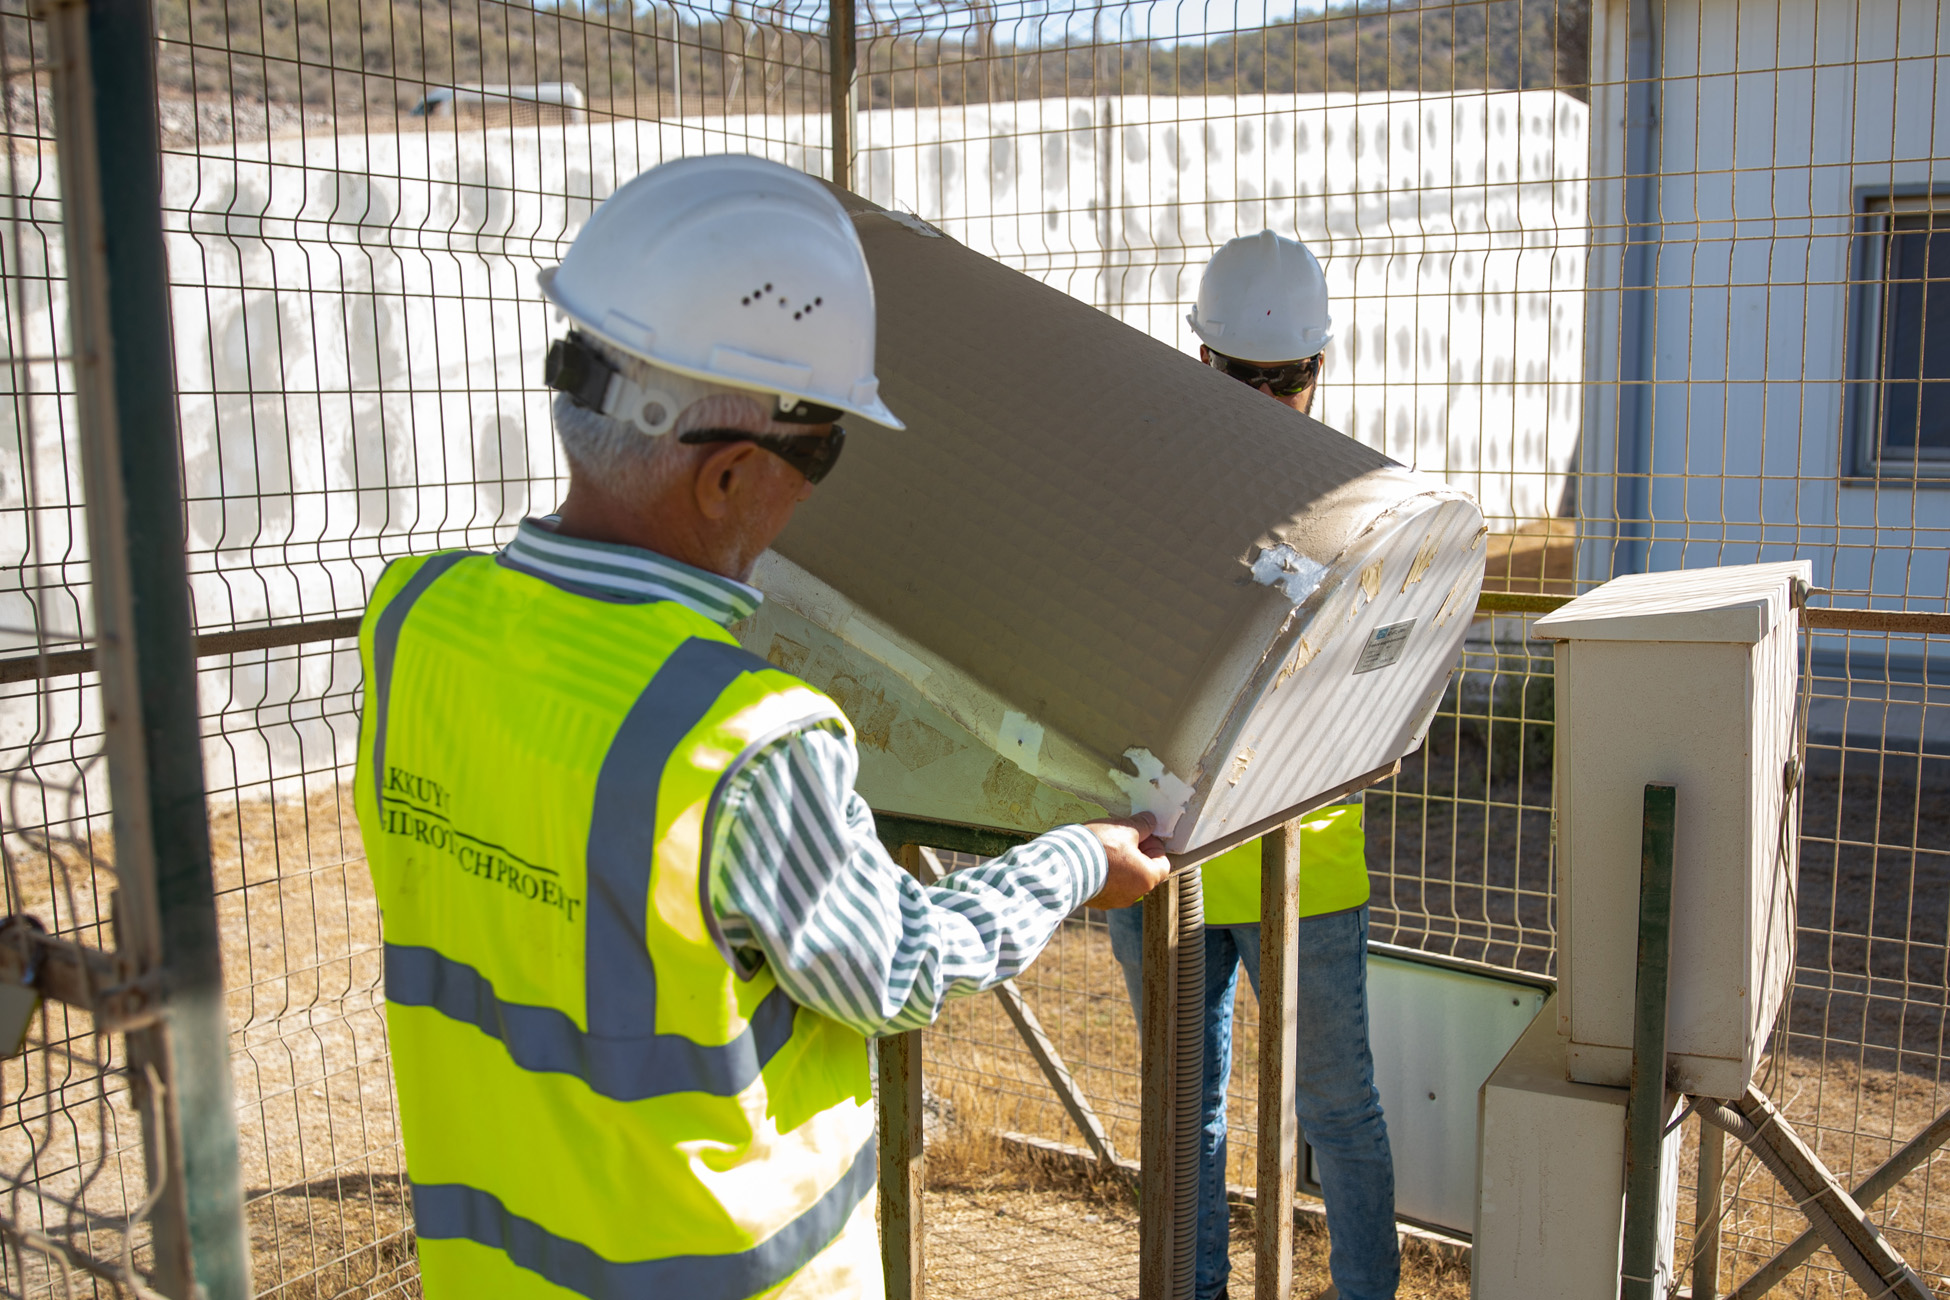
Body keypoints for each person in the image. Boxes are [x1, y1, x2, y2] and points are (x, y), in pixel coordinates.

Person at [355, 154, 1171, 1300]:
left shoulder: (413, 621)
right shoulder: (747, 738)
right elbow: (896, 966)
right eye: (823, 447)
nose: (820, 484)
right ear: (730, 477)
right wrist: (1076, 862)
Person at [1106, 230, 1399, 1300]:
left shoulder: (1357, 499)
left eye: (1284, 378)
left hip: (1253, 853)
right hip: (1200, 856)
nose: (1271, 398)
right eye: (1251, 377)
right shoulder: (1156, 490)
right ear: (1207, 362)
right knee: (1205, 1112)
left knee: (1316, 1110)